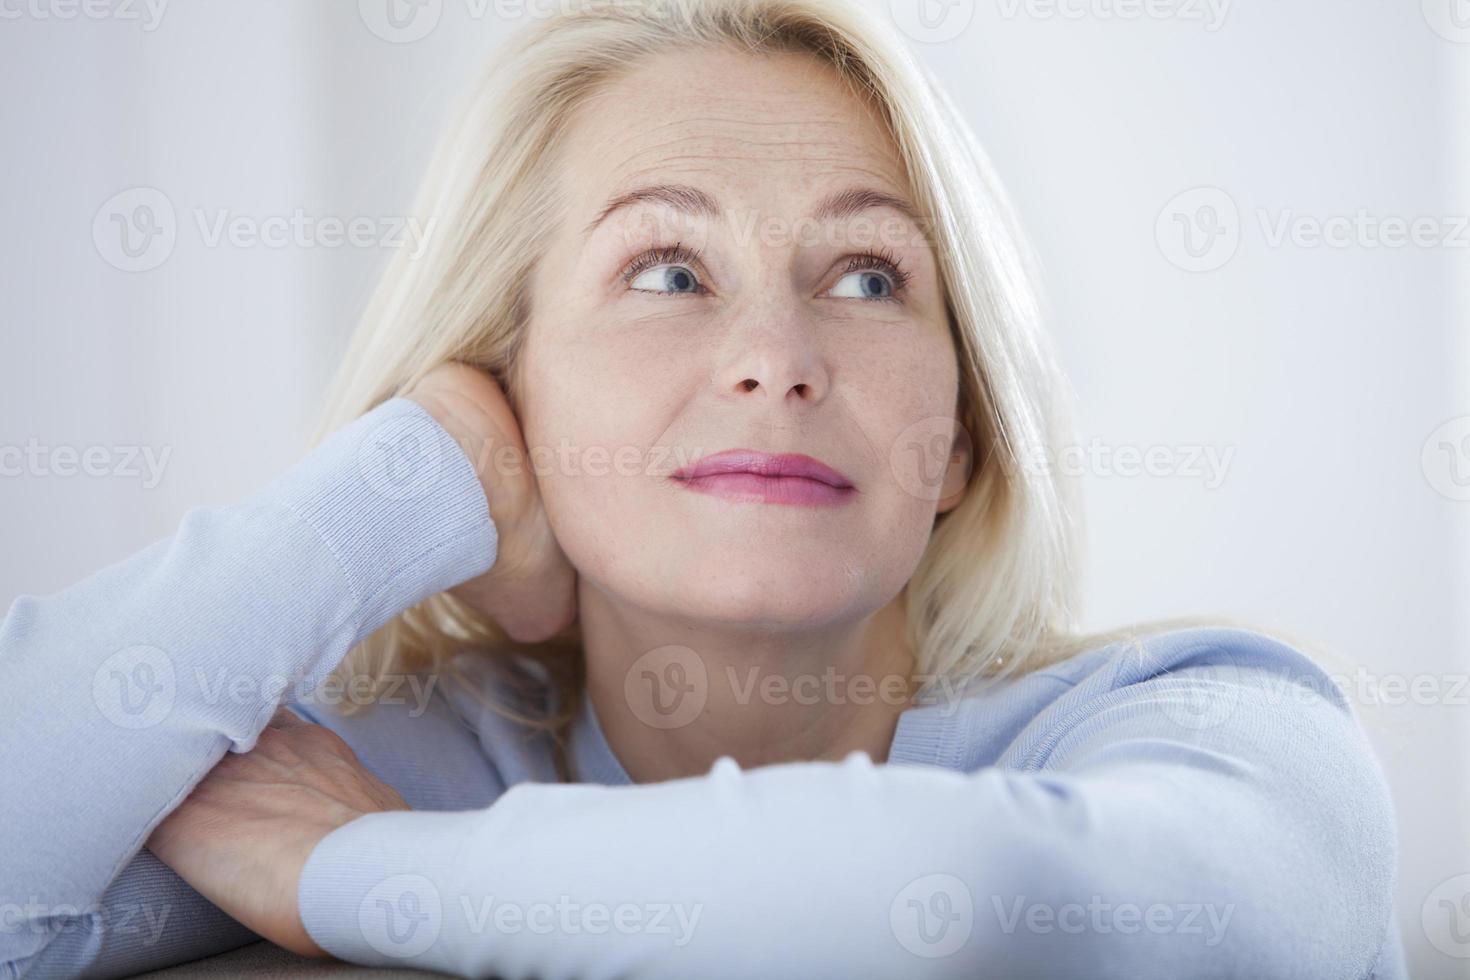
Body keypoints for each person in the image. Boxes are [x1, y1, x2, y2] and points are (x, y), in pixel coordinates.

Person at [0, 1, 1405, 976]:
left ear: (964, 433)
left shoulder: (1231, 729)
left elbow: (976, 909)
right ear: (513, 384)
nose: (773, 360)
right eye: (665, 272)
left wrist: (368, 869)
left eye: (866, 278)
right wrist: (406, 474)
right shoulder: (419, 758)